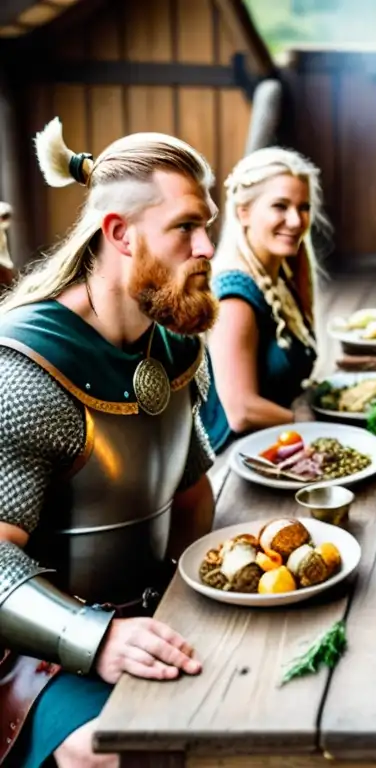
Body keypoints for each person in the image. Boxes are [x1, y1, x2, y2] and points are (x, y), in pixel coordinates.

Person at [0, 117, 219, 768]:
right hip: (31, 649)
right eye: (185, 227)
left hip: (149, 615)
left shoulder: (174, 339)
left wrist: (202, 605)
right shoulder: (25, 369)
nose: (207, 246)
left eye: (206, 223)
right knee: (119, 752)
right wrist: (95, 638)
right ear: (119, 234)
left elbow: (189, 494)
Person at [199, 147, 328, 454]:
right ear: (243, 212)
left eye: (303, 207)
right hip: (238, 454)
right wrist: (310, 422)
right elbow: (241, 412)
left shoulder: (282, 273)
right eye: (280, 206)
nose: (296, 220)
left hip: (280, 435)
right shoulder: (234, 297)